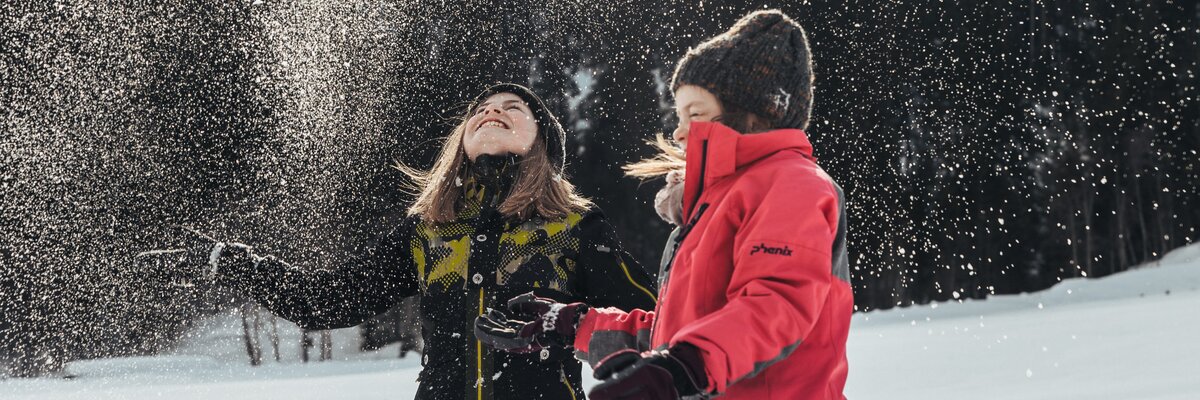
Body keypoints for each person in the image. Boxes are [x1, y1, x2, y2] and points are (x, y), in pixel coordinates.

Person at [145, 83, 658, 400]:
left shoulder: (575, 227)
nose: (491, 111)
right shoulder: (426, 232)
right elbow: (326, 302)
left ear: (541, 144)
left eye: (513, 108)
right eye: (480, 109)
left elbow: (656, 323)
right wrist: (228, 262)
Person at [475, 10, 851, 400]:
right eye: (679, 114)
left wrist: (681, 367)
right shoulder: (711, 209)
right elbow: (675, 334)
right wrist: (573, 324)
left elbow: (777, 306)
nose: (678, 130)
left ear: (755, 116)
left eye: (697, 114)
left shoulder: (793, 185)